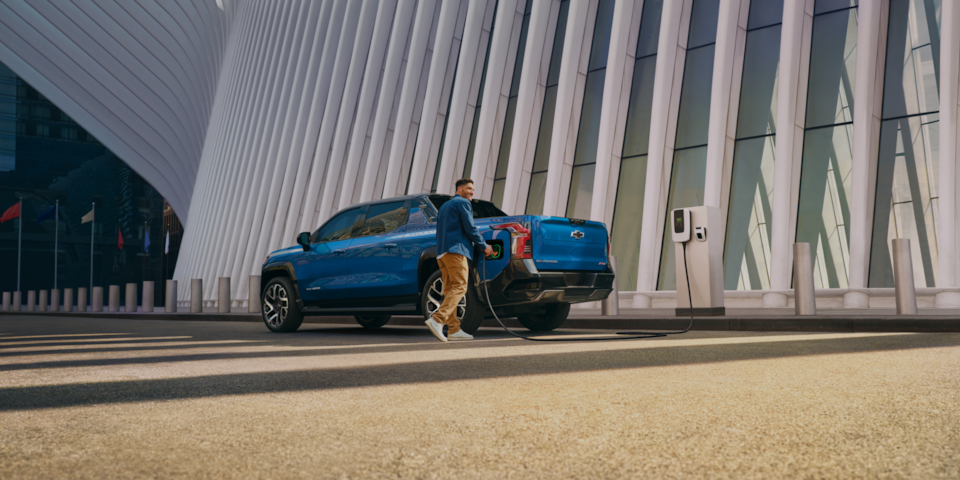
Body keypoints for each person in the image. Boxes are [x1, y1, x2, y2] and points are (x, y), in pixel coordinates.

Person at [425, 178, 494, 342]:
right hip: (457, 251)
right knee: (460, 287)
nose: (471, 192)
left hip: (443, 253)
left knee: (449, 291)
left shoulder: (444, 207)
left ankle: (454, 329)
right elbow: (470, 228)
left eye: (473, 190)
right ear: (459, 190)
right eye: (468, 188)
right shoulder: (463, 203)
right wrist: (485, 247)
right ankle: (437, 319)